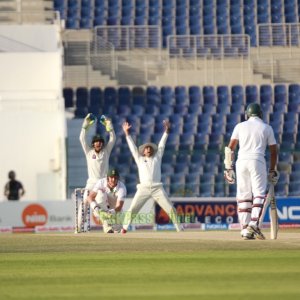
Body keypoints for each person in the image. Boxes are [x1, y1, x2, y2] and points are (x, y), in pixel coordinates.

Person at [224, 103, 279, 240]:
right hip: (257, 161)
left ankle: (245, 229)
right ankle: (253, 224)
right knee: (259, 194)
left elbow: (230, 148)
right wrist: (272, 169)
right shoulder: (267, 128)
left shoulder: (239, 126)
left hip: (241, 162)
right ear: (260, 114)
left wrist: (228, 167)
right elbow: (273, 151)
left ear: (247, 114)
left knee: (244, 196)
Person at [120, 119, 183, 234]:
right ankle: (124, 228)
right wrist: (127, 134)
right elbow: (133, 148)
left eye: (150, 148)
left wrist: (167, 132)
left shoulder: (157, 157)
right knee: (133, 209)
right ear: (143, 152)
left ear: (152, 151)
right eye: (146, 148)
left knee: (170, 208)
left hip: (157, 188)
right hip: (143, 188)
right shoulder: (139, 159)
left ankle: (179, 228)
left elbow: (162, 145)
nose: (148, 149)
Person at [78, 113, 116, 232]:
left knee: (102, 202)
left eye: (100, 141)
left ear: (102, 143)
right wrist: (84, 127)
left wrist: (110, 128)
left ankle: (107, 227)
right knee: (84, 203)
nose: (98, 143)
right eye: (96, 142)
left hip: (103, 183)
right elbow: (81, 139)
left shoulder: (106, 152)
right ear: (93, 144)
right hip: (91, 183)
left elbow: (113, 139)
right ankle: (79, 227)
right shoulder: (89, 152)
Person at [86, 168, 127, 233]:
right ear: (107, 178)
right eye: (111, 177)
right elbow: (90, 197)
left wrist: (110, 213)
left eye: (115, 178)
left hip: (114, 210)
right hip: (101, 209)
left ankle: (110, 224)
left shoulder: (122, 187)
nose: (113, 180)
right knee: (100, 194)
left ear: (118, 178)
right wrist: (95, 207)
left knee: (117, 230)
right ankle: (106, 224)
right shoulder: (101, 182)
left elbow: (119, 206)